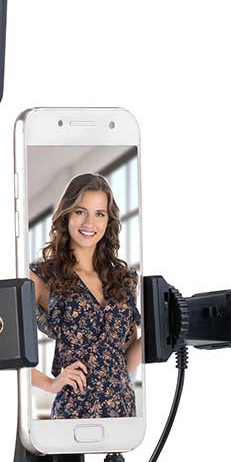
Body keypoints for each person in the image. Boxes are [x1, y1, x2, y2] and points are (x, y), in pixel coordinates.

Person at [29, 172, 142, 419]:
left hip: (123, 411)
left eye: (100, 214)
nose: (90, 223)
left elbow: (126, 357)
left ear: (108, 221)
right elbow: (6, 350)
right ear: (67, 214)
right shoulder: (43, 276)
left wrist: (159, 331)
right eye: (81, 211)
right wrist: (49, 383)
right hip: (74, 414)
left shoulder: (123, 279)